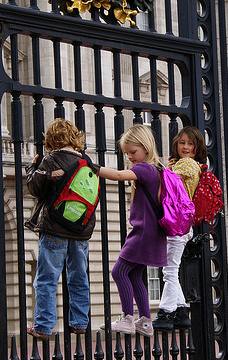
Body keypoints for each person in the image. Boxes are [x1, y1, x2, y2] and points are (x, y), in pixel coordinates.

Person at [24, 118, 100, 340]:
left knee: (46, 279)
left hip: (55, 228)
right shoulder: (87, 162)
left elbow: (34, 188)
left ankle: (43, 326)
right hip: (81, 230)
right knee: (79, 277)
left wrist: (32, 167)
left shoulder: (51, 159)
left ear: (51, 139)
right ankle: (79, 322)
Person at [97, 124, 167, 337]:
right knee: (135, 276)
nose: (130, 157)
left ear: (146, 148)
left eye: (132, 152)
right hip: (152, 233)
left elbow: (118, 175)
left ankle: (127, 318)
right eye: (127, 153)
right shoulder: (157, 169)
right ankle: (145, 321)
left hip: (143, 232)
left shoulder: (145, 168)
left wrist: (93, 167)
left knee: (118, 271)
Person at [153, 126, 207, 331]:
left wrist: (163, 167)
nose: (185, 147)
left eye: (190, 144)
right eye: (182, 142)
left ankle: (165, 313)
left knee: (170, 271)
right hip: (182, 225)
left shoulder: (187, 165)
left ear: (197, 148)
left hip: (177, 224)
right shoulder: (185, 165)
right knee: (171, 270)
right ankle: (182, 312)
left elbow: (162, 179)